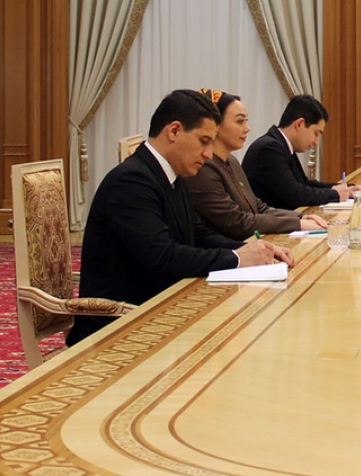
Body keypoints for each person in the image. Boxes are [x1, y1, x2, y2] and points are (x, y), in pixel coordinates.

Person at [68, 90, 292, 346]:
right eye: (204, 141)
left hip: (158, 306)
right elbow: (163, 257)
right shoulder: (131, 181)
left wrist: (253, 250)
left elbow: (198, 234)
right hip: (121, 326)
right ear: (174, 131)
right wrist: (238, 258)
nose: (209, 154)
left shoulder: (171, 174)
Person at [185, 90, 330, 240]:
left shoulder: (232, 161)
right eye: (240, 121)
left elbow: (258, 207)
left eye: (246, 121)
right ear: (216, 125)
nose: (247, 128)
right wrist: (297, 223)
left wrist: (300, 217)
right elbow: (237, 222)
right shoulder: (203, 167)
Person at [242, 94, 358, 210]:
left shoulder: (282, 144)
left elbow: (304, 184)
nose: (316, 142)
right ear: (299, 124)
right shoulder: (269, 148)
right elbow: (295, 195)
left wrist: (343, 188)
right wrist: (335, 194)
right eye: (316, 133)